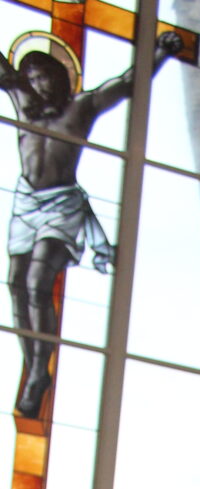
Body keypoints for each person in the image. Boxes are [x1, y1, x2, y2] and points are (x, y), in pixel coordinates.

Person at [1, 31, 186, 415]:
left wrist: (160, 53)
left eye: (44, 76)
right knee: (16, 285)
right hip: (25, 203)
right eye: (30, 78)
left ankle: (39, 371)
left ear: (60, 77)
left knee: (39, 282)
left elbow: (124, 85)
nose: (37, 85)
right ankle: (32, 361)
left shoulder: (81, 108)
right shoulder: (22, 104)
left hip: (61, 207)